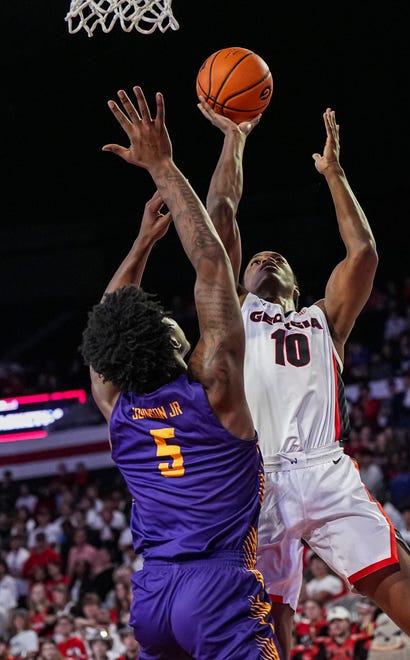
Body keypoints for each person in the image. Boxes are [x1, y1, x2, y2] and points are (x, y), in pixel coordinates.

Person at [197, 97, 410, 658]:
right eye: (256, 258)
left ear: (297, 281)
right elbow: (221, 218)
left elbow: (363, 253)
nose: (267, 257)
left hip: (327, 472)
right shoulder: (230, 315)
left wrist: (334, 174)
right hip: (259, 483)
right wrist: (234, 139)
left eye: (277, 257)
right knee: (270, 641)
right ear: (242, 276)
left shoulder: (323, 320)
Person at [79, 85, 280, 660]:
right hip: (217, 588)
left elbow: (106, 323)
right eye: (171, 323)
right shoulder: (216, 389)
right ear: (170, 341)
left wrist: (142, 243)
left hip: (154, 597)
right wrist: (162, 167)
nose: (177, 323)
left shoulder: (116, 408)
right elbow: (213, 261)